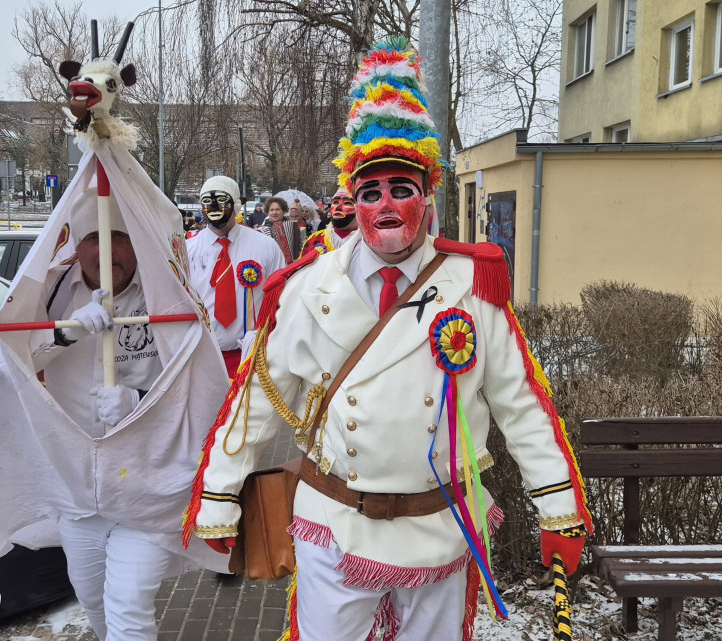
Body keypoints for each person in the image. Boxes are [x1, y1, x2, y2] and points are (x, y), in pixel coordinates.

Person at [183, 36, 591, 641]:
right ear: (352, 200)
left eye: (402, 188)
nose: (386, 204)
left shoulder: (473, 284)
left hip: (442, 527)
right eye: (370, 192)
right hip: (335, 522)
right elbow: (256, 401)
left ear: (427, 197)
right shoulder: (303, 288)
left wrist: (558, 506)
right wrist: (219, 493)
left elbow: (521, 402)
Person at [0, 150, 229, 641]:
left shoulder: (166, 301)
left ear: (139, 247)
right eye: (95, 238)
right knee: (93, 601)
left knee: (130, 609)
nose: (107, 251)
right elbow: (7, 369)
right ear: (79, 244)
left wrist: (139, 400)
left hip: (147, 486)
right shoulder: (51, 296)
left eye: (121, 239)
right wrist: (62, 334)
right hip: (77, 490)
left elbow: (200, 387)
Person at [186, 176, 285, 375]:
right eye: (206, 201)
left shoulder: (266, 246)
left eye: (222, 200)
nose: (213, 206)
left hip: (252, 357)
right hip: (201, 357)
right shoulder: (187, 250)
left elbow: (281, 299)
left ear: (236, 204)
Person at [300, 186, 359, 257]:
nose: (338, 207)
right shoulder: (314, 240)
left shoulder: (369, 244)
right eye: (335, 202)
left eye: (347, 203)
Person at [257, 196, 296, 263]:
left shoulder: (294, 227)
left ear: (283, 212)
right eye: (271, 210)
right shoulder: (261, 231)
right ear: (268, 212)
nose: (274, 213)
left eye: (277, 209)